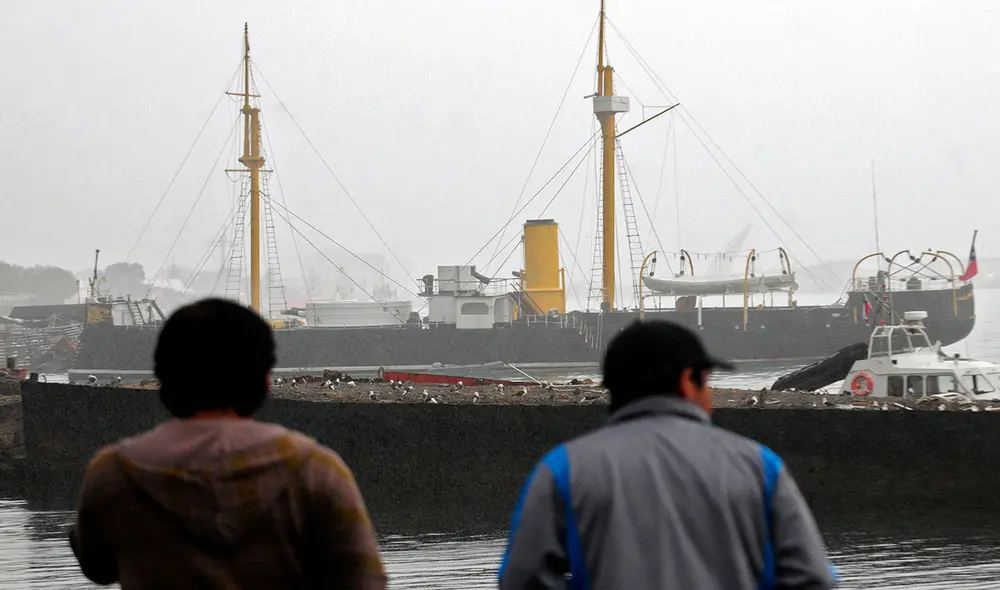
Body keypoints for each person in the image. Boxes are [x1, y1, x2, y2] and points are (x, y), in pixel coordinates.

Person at [69, 298, 387, 589]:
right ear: (264, 381)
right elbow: (364, 580)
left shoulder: (113, 473)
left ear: (164, 380)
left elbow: (96, 566)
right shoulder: (317, 471)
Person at [498, 320, 838, 589]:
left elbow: (523, 579)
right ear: (688, 381)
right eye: (707, 381)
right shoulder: (759, 466)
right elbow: (811, 578)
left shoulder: (563, 468)